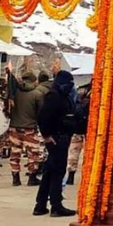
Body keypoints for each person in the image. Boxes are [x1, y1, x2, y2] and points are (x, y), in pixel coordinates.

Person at [33, 70, 77, 217]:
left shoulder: (61, 95)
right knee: (58, 171)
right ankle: (56, 205)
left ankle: (41, 204)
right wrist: (46, 135)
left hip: (60, 136)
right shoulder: (54, 96)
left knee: (50, 171)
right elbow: (43, 117)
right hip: (56, 137)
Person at [5, 71, 46, 187]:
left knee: (15, 153)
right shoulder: (37, 94)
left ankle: (15, 178)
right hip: (30, 128)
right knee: (33, 154)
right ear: (34, 81)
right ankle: (32, 178)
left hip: (14, 127)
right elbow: (41, 112)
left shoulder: (14, 93)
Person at [65, 84, 91, 185]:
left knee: (73, 153)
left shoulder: (77, 96)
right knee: (88, 154)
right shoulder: (93, 98)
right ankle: (86, 175)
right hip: (87, 130)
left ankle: (71, 175)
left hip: (76, 130)